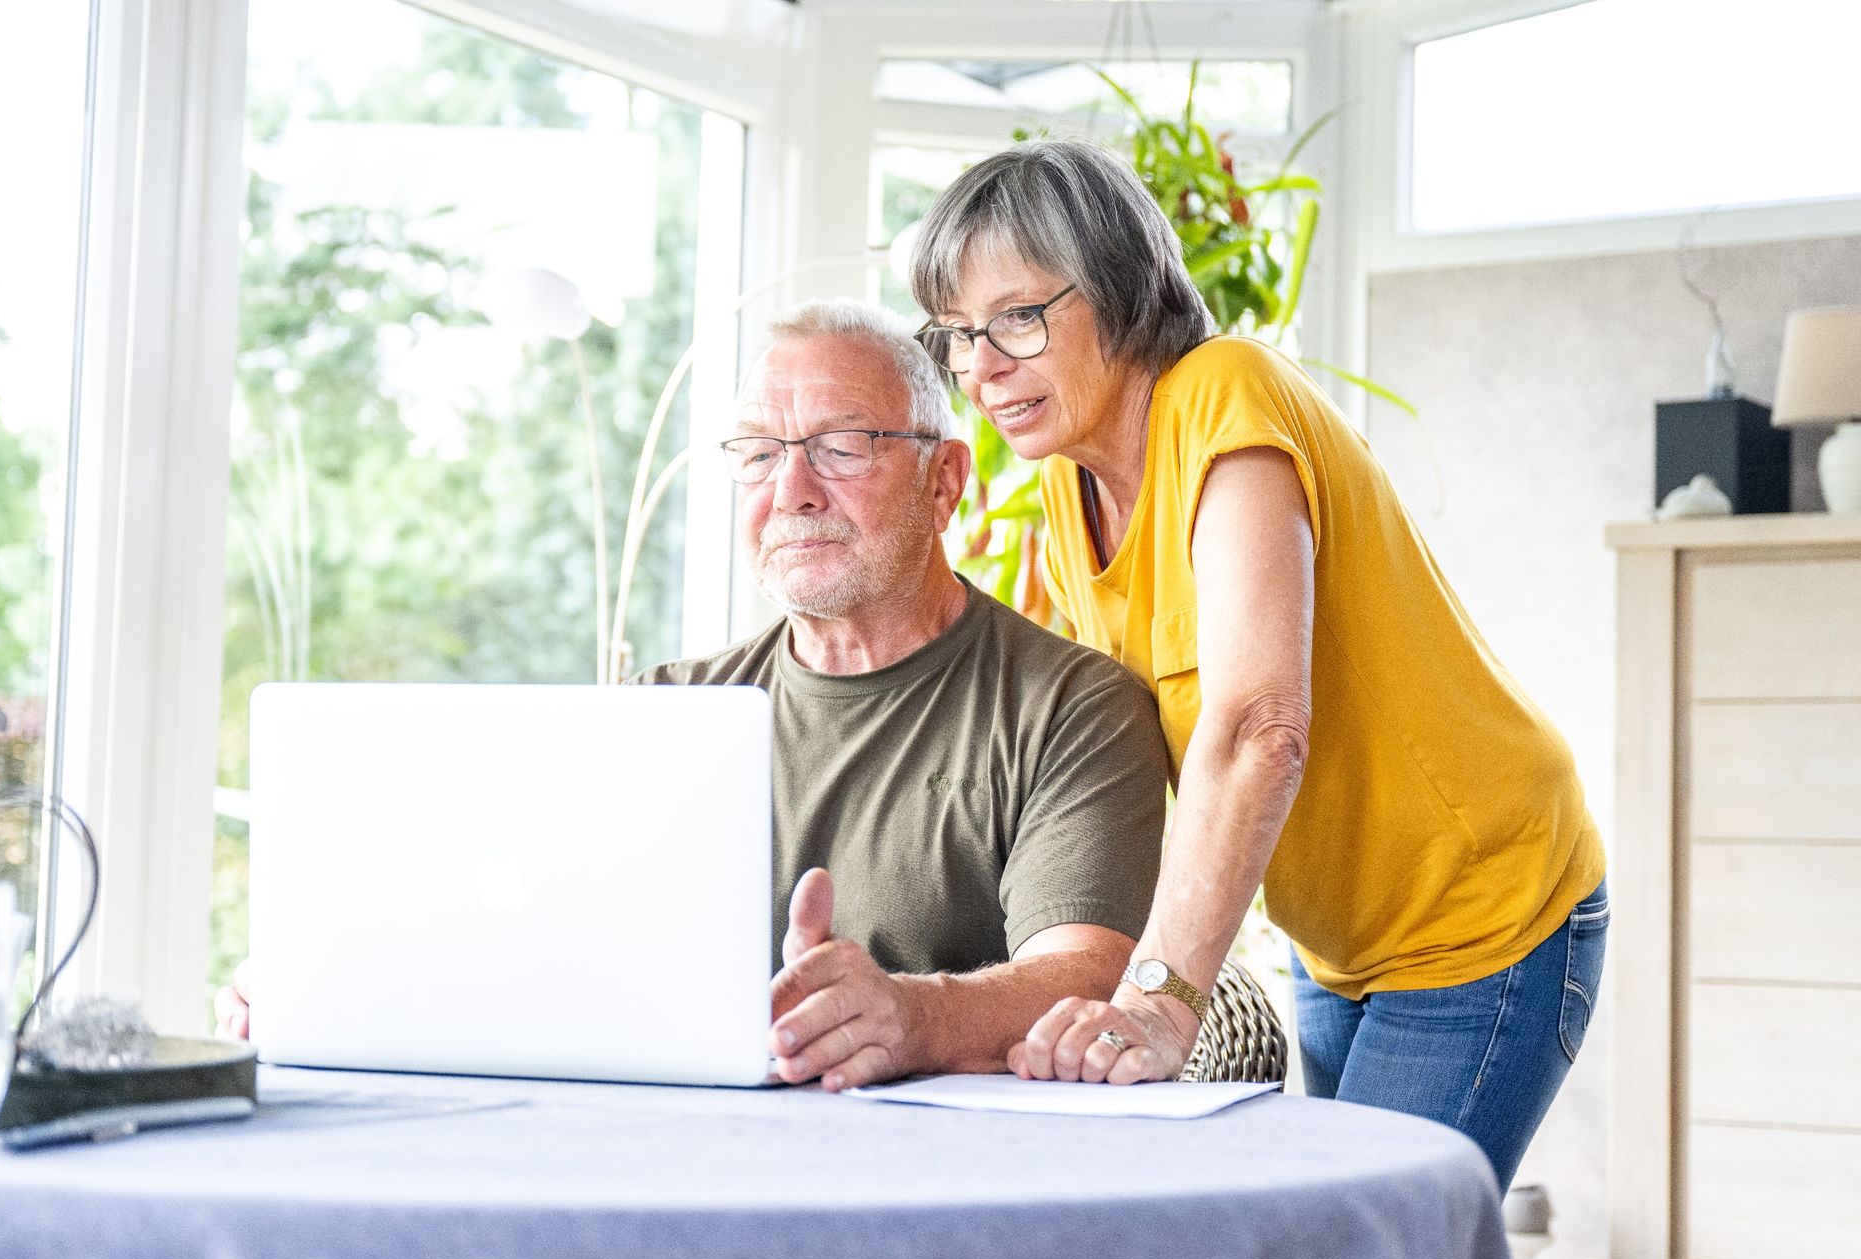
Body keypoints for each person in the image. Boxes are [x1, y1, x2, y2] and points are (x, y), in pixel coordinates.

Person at [219, 298, 1171, 1094]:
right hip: (668, 1167)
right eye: (758, 454)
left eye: (841, 446)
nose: (791, 488)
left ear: (944, 479)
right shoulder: (661, 714)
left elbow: (1090, 974)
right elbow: (526, 940)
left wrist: (910, 1014)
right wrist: (337, 983)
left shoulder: (1071, 706)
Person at [908, 139, 1607, 1191]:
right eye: (956, 334)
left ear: (1117, 286)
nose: (977, 368)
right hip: (1335, 943)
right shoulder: (1068, 486)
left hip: (1479, 911)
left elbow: (1253, 725)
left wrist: (1157, 1000)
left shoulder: (1221, 396)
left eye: (1015, 317)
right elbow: (1079, 743)